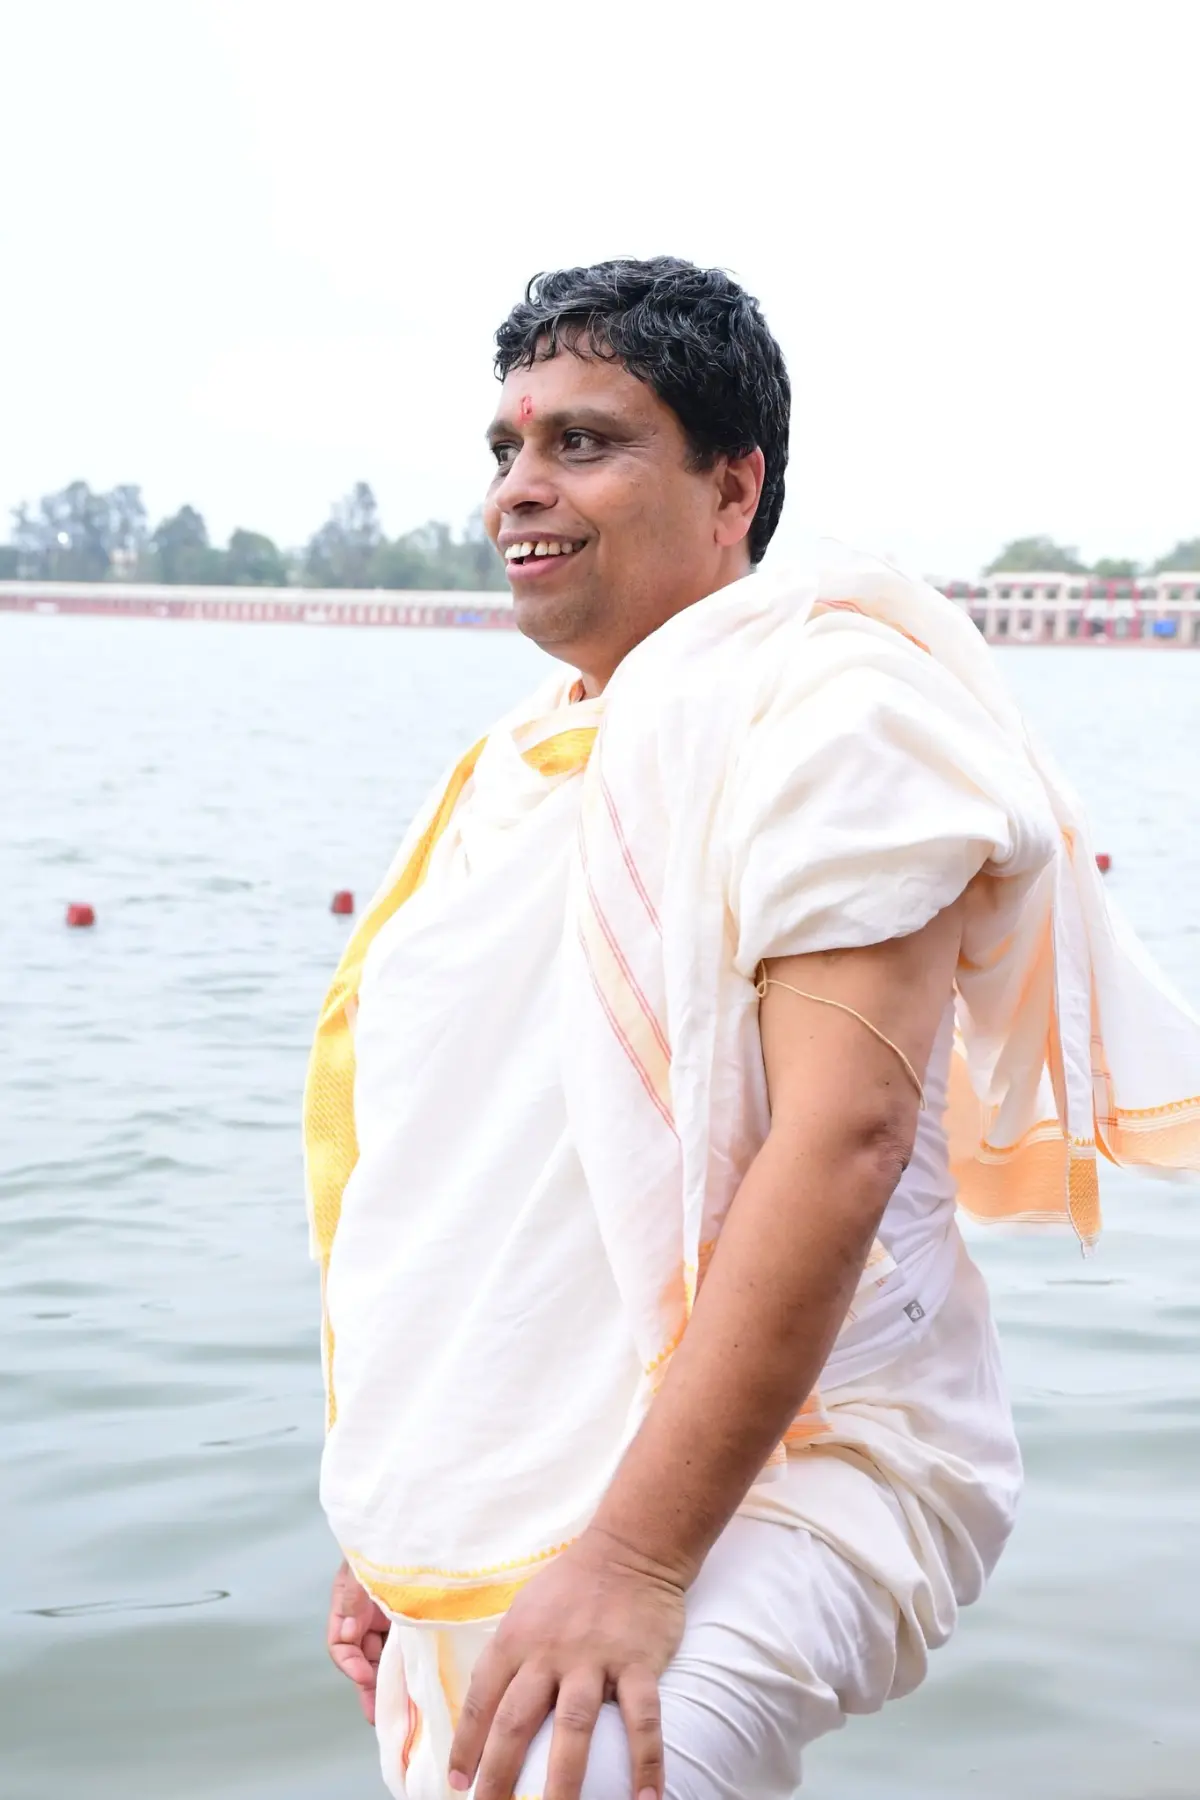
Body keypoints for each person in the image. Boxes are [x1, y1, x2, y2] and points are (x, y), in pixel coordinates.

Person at [304, 258, 1200, 1800]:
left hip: (813, 1453)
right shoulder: (514, 769)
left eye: (586, 442)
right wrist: (405, 1505)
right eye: (508, 448)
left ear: (736, 484)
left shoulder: (836, 709)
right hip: (533, 1487)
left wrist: (636, 1560)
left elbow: (844, 1139)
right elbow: (452, 1186)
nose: (521, 487)